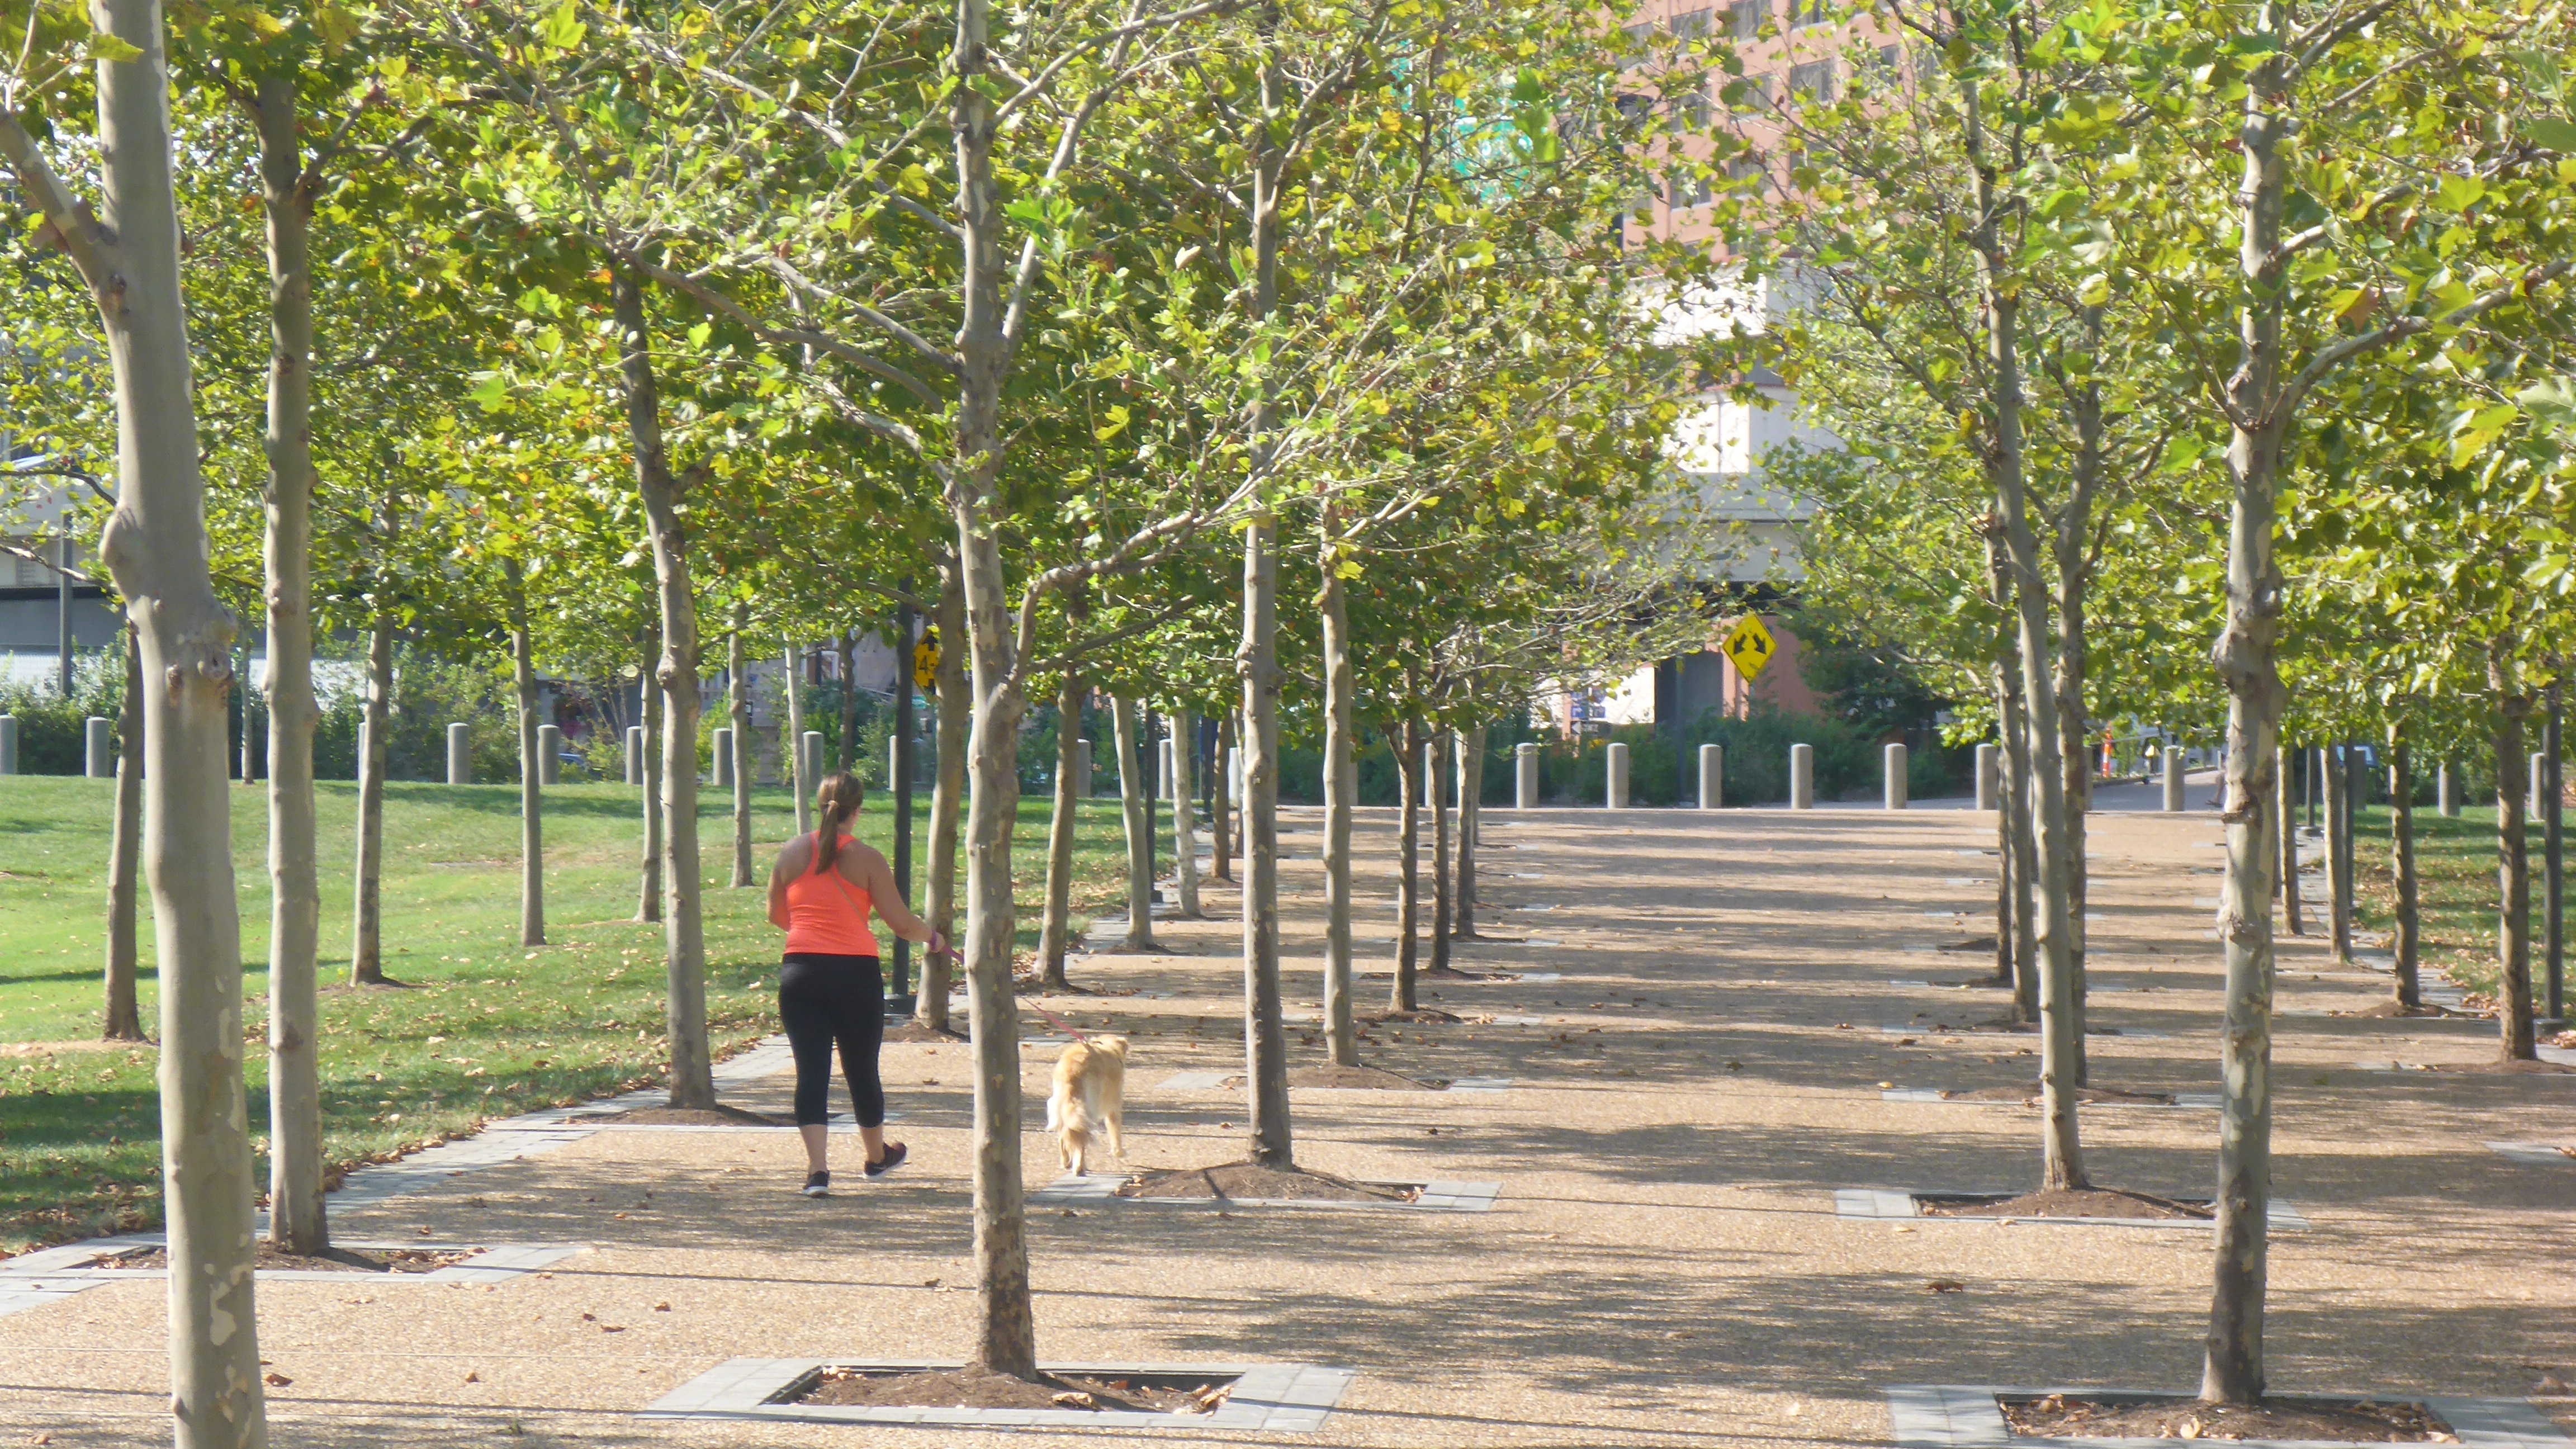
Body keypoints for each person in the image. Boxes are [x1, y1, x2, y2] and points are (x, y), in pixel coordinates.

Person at [766, 771, 945, 1197]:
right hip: (854, 974)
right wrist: (934, 938)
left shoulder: (791, 853)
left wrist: (813, 933)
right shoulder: (867, 858)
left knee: (811, 1072)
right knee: (862, 1069)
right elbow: (901, 924)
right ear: (857, 810)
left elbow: (776, 915)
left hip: (800, 972)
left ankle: (817, 1171)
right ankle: (875, 1157)